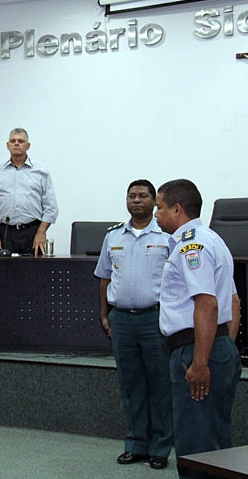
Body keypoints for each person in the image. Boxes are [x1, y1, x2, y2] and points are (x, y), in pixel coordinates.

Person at [154, 179, 242, 479]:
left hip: (195, 350)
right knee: (215, 443)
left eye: (160, 208)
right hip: (212, 345)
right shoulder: (213, 239)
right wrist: (221, 347)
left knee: (196, 448)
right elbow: (232, 300)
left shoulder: (192, 245)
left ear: (177, 209)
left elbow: (207, 305)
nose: (156, 214)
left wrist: (202, 361)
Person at [94, 180, 172, 470]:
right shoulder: (113, 236)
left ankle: (160, 448)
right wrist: (105, 315)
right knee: (131, 386)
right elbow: (104, 277)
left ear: (154, 201)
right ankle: (137, 443)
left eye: (143, 196)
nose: (136, 200)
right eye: (131, 196)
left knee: (160, 385)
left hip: (155, 320)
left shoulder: (167, 236)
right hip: (122, 320)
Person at [0, 128, 58, 256]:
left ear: (28, 146)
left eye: (21, 141)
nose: (16, 144)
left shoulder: (41, 171)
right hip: (5, 233)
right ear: (8, 145)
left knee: (34, 273)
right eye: (13, 141)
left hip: (33, 232)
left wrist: (41, 232)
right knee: (3, 274)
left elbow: (50, 207)